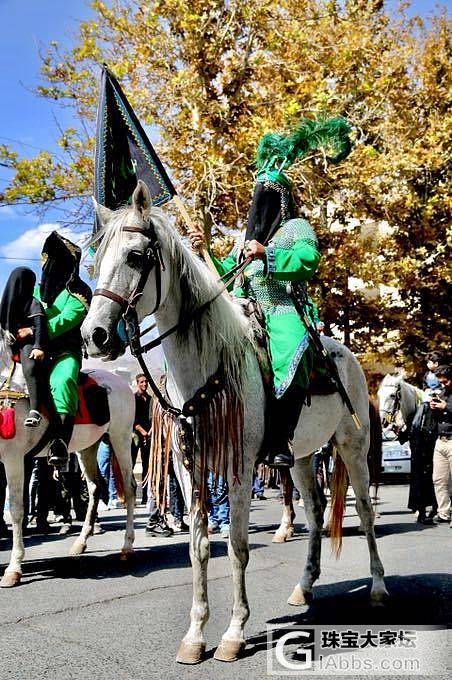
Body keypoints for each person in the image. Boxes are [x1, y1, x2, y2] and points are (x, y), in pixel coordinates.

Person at [189, 116, 352, 467]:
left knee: (292, 349)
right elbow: (228, 278)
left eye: (268, 198)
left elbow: (308, 260)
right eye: (256, 198)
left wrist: (268, 253)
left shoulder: (296, 227)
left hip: (282, 309)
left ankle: (281, 438)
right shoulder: (244, 241)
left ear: (281, 201)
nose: (259, 206)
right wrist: (204, 254)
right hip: (246, 309)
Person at [34, 231, 92, 467]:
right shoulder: (35, 290)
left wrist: (34, 328)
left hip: (64, 353)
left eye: (54, 261)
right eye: (47, 260)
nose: (49, 266)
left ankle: (60, 440)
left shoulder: (80, 291)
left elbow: (66, 320)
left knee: (63, 380)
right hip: (32, 350)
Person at [0, 267, 48, 426]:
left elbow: (40, 325)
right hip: (7, 343)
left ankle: (35, 410)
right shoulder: (5, 304)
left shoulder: (33, 302)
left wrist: (38, 345)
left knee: (30, 366)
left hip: (26, 344)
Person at [430, 365, 452, 525]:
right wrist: (434, 407)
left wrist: (447, 407)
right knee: (439, 479)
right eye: (441, 382)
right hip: (440, 441)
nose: (444, 384)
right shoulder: (443, 393)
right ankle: (444, 512)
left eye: (446, 381)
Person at [131, 373, 152, 505]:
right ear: (137, 383)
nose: (144, 384)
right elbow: (133, 419)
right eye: (142, 382)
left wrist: (149, 432)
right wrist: (143, 432)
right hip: (135, 436)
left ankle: (145, 496)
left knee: (146, 466)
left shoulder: (151, 399)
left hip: (148, 436)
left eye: (146, 382)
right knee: (130, 465)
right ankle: (130, 495)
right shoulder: (133, 399)